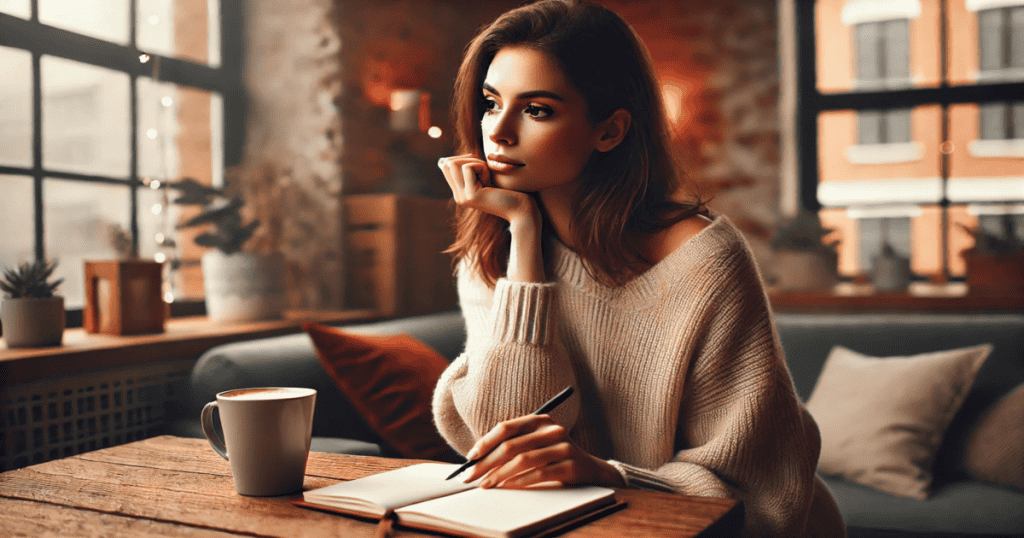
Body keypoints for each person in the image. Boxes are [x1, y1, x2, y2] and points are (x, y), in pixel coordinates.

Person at [431, 1, 845, 536]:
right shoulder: (494, 249)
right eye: (490, 103)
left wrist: (609, 476)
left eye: (537, 110)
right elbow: (507, 435)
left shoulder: (700, 259)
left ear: (609, 131)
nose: (499, 132)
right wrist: (525, 238)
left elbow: (761, 482)